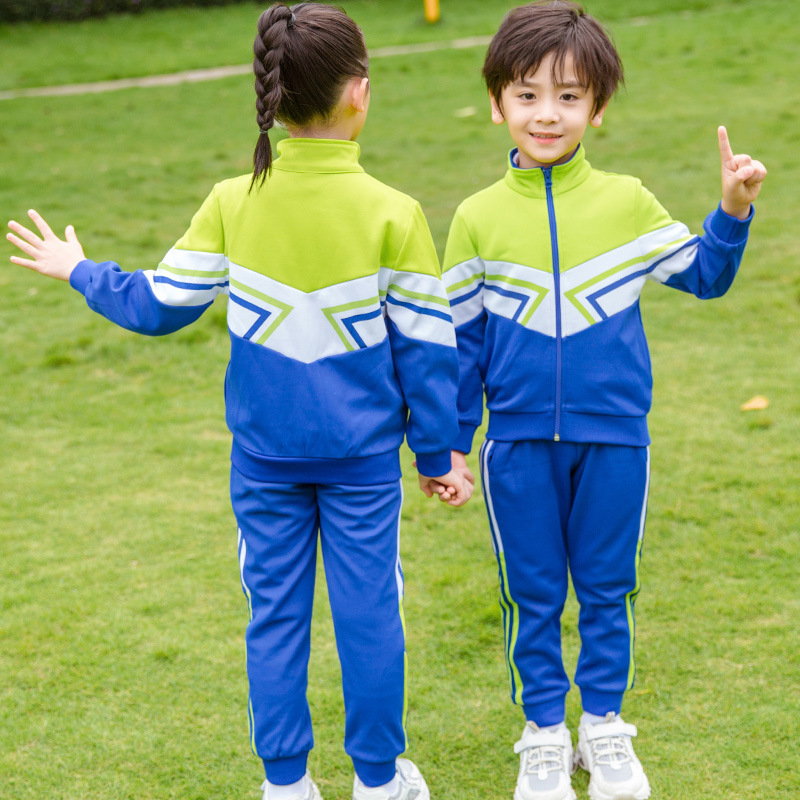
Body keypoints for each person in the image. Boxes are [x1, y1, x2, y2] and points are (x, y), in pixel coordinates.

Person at [7, 4, 473, 799]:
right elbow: (428, 354)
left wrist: (80, 269)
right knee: (370, 621)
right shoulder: (395, 212)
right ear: (360, 93)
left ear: (272, 98)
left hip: (263, 467)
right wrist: (438, 455)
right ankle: (378, 781)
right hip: (362, 469)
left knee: (275, 622)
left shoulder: (233, 200)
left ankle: (285, 785)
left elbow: (158, 305)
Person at [440, 3, 766, 800]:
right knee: (533, 593)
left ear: (598, 108)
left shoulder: (626, 201)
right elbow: (461, 351)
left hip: (616, 440)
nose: (546, 113)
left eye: (569, 96)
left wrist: (731, 209)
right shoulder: (476, 220)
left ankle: (606, 732)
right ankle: (545, 736)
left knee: (608, 586)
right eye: (526, 95)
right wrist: (451, 443)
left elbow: (705, 277)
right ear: (496, 103)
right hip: (515, 445)